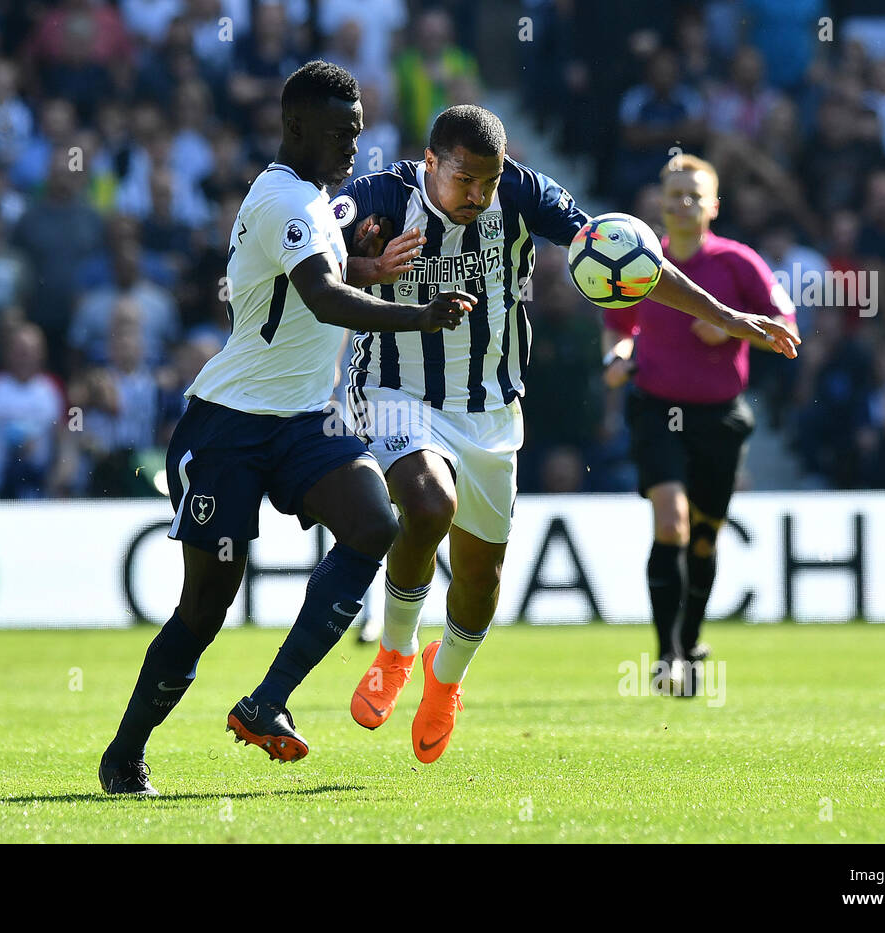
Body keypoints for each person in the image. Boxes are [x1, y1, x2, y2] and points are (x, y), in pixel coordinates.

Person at [336, 109, 799, 760]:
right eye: (464, 179)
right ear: (431, 162)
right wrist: (366, 268)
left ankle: (446, 681)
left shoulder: (523, 193)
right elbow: (306, 265)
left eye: (488, 182)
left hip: (491, 406)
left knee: (479, 576)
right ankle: (396, 648)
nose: (478, 195)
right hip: (395, 388)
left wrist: (730, 317)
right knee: (426, 501)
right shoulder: (376, 197)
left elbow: (626, 260)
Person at [97, 61, 474, 796]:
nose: (353, 150)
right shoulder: (281, 198)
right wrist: (418, 312)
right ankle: (125, 752)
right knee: (206, 609)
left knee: (372, 524)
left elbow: (313, 285)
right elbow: (321, 299)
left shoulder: (312, 200)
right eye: (339, 135)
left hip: (304, 420)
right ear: (295, 127)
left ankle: (267, 700)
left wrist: (369, 264)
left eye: (359, 135)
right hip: (230, 427)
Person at [602, 153, 800, 695]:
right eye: (674, 196)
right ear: (660, 205)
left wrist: (736, 330)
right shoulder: (638, 261)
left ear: (714, 205)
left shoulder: (738, 262)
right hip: (656, 408)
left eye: (694, 196)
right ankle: (666, 657)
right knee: (672, 522)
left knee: (705, 539)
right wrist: (616, 359)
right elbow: (619, 326)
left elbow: (784, 323)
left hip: (720, 415)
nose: (683, 204)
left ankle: (689, 642)